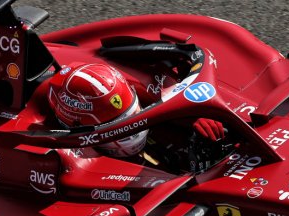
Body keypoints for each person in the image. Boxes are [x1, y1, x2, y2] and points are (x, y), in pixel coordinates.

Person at [47, 62, 225, 158]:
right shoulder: (71, 157)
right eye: (118, 124)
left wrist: (190, 115)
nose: (132, 132)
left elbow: (159, 97)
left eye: (131, 113)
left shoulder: (140, 92)